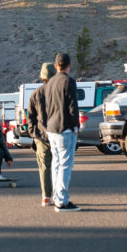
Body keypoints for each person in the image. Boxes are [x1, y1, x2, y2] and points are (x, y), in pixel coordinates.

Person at [44, 52, 81, 211]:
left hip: (51, 127)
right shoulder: (69, 81)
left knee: (56, 163)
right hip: (65, 127)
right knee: (66, 165)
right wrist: (75, 126)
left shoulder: (50, 82)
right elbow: (73, 107)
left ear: (55, 65)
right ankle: (62, 201)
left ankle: (56, 197)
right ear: (69, 65)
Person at [27, 62, 56, 206]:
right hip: (58, 134)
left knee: (44, 167)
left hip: (41, 137)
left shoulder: (35, 94)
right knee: (59, 166)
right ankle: (59, 195)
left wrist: (34, 134)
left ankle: (46, 196)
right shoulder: (59, 92)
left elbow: (30, 118)